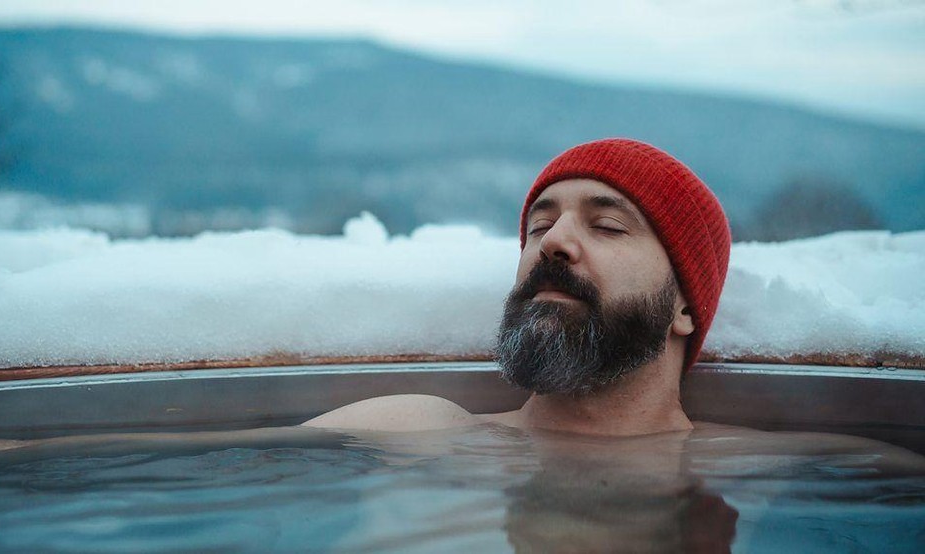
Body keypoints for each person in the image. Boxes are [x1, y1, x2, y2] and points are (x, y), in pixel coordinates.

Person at [305, 138, 730, 435]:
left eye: (607, 227)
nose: (553, 243)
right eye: (539, 227)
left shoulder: (749, 473)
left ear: (685, 309)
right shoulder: (408, 434)